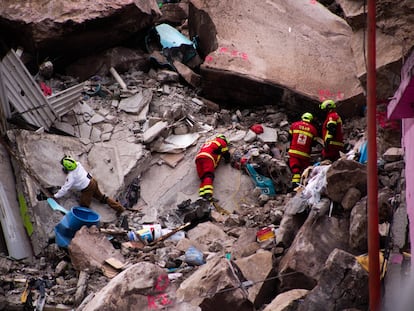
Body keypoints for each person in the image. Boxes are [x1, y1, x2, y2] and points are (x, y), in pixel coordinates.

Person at [54, 156, 125, 215]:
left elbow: (65, 188)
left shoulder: (71, 177)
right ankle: (119, 208)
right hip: (92, 181)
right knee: (102, 198)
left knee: (84, 205)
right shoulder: (78, 164)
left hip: (87, 189)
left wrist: (56, 195)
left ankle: (85, 219)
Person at [195, 134, 230, 200]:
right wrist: (227, 160)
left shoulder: (210, 142)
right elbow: (226, 154)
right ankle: (208, 195)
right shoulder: (222, 142)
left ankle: (202, 195)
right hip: (208, 158)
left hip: (198, 158)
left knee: (204, 178)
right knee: (209, 175)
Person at [288, 112, 319, 188]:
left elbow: (290, 137)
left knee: (295, 168)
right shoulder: (313, 130)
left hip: (294, 151)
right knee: (304, 170)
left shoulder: (294, 125)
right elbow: (314, 143)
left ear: (302, 117)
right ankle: (304, 184)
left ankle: (295, 184)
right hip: (305, 154)